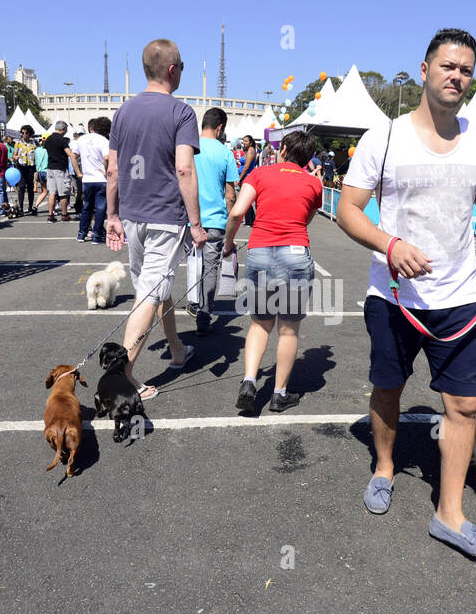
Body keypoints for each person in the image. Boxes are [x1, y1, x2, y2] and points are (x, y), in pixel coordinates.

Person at [337, 28, 476, 559]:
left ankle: (450, 514)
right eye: (448, 67)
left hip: (459, 297)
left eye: (466, 69)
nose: (457, 76)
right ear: (424, 69)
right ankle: (385, 467)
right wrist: (388, 244)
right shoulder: (384, 138)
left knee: (462, 404)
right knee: (388, 388)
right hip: (393, 297)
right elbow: (346, 209)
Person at [105, 39, 206, 400]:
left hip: (132, 215)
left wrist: (112, 214)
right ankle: (123, 377)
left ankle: (177, 349)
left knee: (152, 287)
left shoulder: (123, 112)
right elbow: (184, 169)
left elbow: (113, 169)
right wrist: (196, 224)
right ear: (172, 70)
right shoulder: (181, 112)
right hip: (166, 215)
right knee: (151, 292)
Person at [223, 129, 322, 412]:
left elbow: (237, 212)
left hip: (261, 252)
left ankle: (250, 380)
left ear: (284, 150)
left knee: (260, 323)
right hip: (294, 254)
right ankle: (279, 394)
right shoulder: (313, 184)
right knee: (288, 330)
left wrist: (229, 244)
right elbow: (306, 219)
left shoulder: (261, 174)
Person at [193, 107, 241, 336]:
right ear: (220, 127)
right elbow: (230, 194)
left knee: (192, 263)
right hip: (215, 220)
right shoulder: (225, 153)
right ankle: (204, 313)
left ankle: (192, 302)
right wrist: (232, 224)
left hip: (188, 219)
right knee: (209, 269)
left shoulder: (186, 148)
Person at [74, 117, 110, 242]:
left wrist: (78, 172)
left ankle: (82, 233)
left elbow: (73, 156)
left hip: (87, 178)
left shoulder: (82, 139)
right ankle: (97, 233)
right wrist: (106, 171)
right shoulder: (103, 140)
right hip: (100, 179)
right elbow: (106, 158)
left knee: (87, 206)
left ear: (91, 128)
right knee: (100, 207)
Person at [43, 121, 77, 223]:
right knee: (63, 193)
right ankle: (64, 214)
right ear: (63, 129)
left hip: (50, 168)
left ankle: (50, 215)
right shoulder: (62, 140)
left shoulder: (48, 139)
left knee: (52, 192)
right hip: (60, 169)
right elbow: (69, 153)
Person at [10, 125, 37, 216]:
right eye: (22, 133)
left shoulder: (34, 143)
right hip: (21, 167)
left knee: (30, 187)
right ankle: (20, 208)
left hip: (31, 167)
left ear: (30, 133)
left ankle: (30, 206)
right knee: (21, 187)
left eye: (26, 132)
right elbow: (14, 155)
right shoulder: (18, 143)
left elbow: (37, 154)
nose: (24, 134)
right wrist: (15, 157)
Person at [32, 137, 50, 215]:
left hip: (40, 172)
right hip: (47, 172)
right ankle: (52, 210)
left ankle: (35, 206)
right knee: (52, 192)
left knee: (45, 191)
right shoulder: (49, 150)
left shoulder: (37, 150)